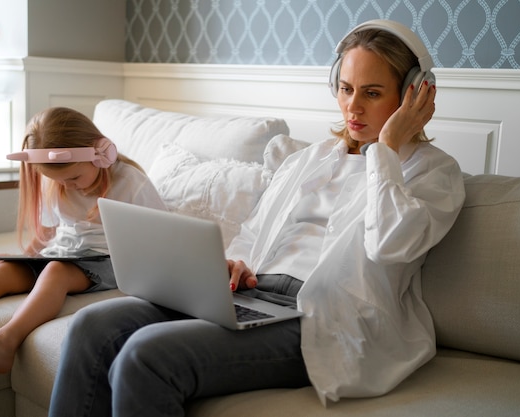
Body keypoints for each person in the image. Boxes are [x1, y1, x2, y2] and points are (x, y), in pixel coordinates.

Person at [48, 20, 466, 416]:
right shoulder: (309, 159)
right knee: (91, 326)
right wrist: (238, 261)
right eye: (345, 88)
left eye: (372, 93)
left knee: (146, 355)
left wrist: (388, 148)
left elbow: (391, 243)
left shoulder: (433, 172)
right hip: (250, 295)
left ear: (414, 95)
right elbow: (254, 232)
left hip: (322, 319)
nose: (352, 106)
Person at [0, 107, 166, 374]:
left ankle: (4, 341)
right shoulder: (59, 182)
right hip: (65, 252)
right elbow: (49, 232)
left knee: (56, 272)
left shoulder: (131, 183)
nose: (69, 185)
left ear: (101, 153)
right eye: (59, 180)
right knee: (6, 272)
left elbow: (160, 235)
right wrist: (27, 256)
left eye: (73, 177)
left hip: (109, 260)